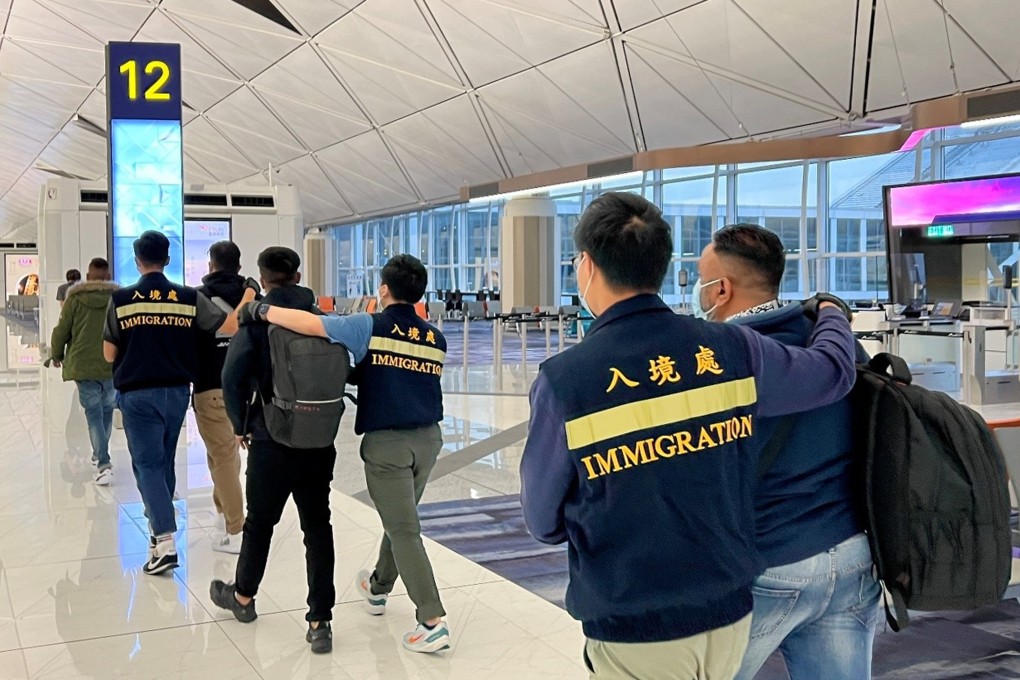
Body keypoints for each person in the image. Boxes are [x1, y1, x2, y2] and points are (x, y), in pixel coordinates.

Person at [519, 192, 858, 680]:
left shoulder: (565, 380)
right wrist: (830, 312)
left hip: (637, 620)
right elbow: (828, 373)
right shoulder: (731, 347)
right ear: (661, 266)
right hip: (728, 610)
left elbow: (542, 520)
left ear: (588, 266)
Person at [240, 253, 451, 654]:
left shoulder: (369, 325)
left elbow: (310, 324)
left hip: (388, 444)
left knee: (404, 528)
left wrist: (261, 310)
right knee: (401, 518)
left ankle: (432, 621)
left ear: (384, 290)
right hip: (429, 440)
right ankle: (378, 587)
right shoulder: (434, 338)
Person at [696, 224, 880, 680]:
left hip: (768, 562)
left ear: (721, 289)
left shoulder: (718, 361)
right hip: (852, 556)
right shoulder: (834, 343)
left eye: (699, 280)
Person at [103, 231, 252, 576]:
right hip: (176, 393)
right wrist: (248, 293)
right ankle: (159, 531)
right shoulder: (187, 297)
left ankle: (165, 541)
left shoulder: (121, 299)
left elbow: (109, 353)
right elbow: (230, 326)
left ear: (137, 261)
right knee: (164, 461)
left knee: (147, 465)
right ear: (168, 260)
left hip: (138, 394)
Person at [210, 247, 336, 654]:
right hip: (318, 438)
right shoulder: (319, 318)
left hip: (271, 438)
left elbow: (232, 378)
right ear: (297, 276)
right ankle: (320, 621)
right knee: (317, 527)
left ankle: (243, 597)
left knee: (260, 523)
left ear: (262, 279)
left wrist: (240, 425)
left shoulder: (256, 322)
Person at [194, 241, 261, 554]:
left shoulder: (198, 297)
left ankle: (236, 531)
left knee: (222, 456)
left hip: (211, 386)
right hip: (249, 389)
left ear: (211, 266)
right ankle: (223, 515)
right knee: (223, 455)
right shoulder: (254, 297)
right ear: (239, 265)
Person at [49, 258, 117, 486]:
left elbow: (61, 330)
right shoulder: (118, 299)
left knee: (93, 413)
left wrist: (56, 354)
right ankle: (100, 455)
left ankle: (103, 462)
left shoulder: (75, 299)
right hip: (112, 364)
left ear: (87, 277)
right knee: (107, 410)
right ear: (108, 277)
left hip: (83, 365)